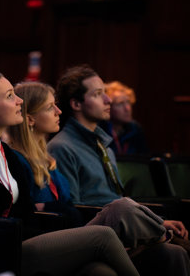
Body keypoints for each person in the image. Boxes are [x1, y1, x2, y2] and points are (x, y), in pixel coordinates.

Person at [0, 70, 140, 276]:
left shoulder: (8, 154)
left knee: (98, 270)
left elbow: (27, 214)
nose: (19, 101)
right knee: (103, 236)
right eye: (9, 96)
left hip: (20, 241)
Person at [47, 65, 190, 275]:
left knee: (174, 254)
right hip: (97, 232)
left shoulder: (104, 146)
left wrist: (147, 222)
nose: (108, 100)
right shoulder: (62, 147)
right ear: (76, 103)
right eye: (97, 94)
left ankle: (158, 232)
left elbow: (118, 197)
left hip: (123, 227)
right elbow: (72, 212)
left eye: (105, 93)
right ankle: (160, 233)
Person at [8, 81, 83, 227]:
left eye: (56, 104)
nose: (58, 111)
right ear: (30, 119)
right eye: (50, 107)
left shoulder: (47, 160)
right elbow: (27, 214)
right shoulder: (17, 160)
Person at [99, 81, 148, 155]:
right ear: (108, 107)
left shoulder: (135, 129)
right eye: (120, 103)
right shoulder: (100, 130)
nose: (127, 108)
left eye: (128, 102)